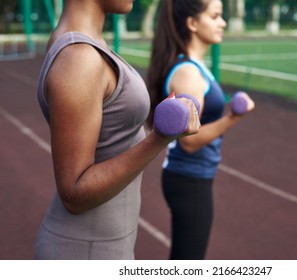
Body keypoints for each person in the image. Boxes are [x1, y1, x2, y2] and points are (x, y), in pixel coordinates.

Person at [34, 0, 199, 260]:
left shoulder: (80, 44)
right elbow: (74, 193)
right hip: (85, 251)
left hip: (102, 246)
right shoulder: (78, 57)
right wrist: (160, 137)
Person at [147, 0, 255, 260]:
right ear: (193, 23)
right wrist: (234, 116)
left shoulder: (194, 67)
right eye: (216, 16)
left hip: (190, 176)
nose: (223, 22)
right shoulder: (188, 74)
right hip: (189, 178)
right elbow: (189, 141)